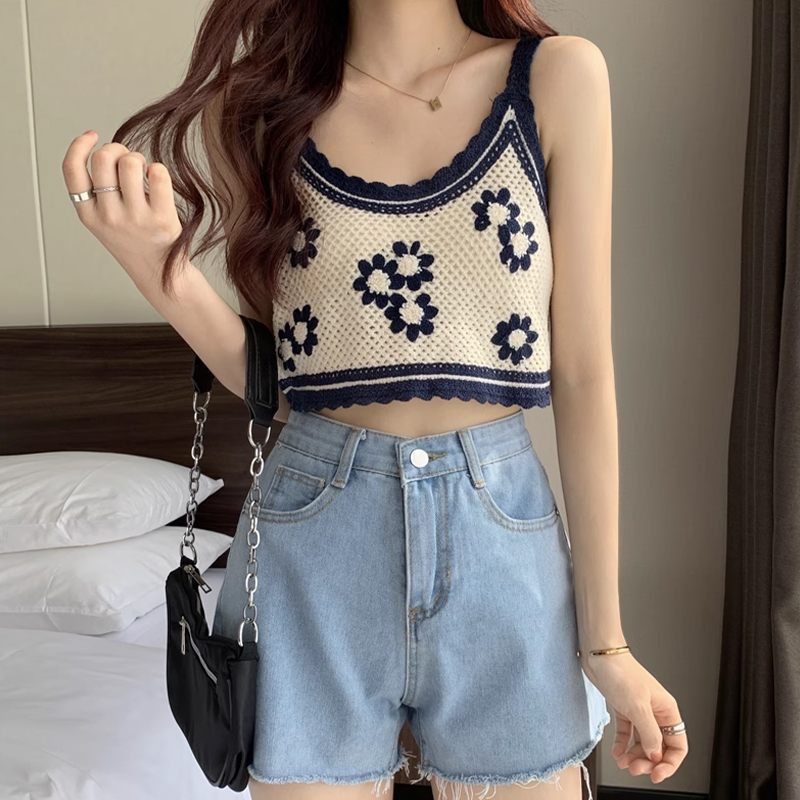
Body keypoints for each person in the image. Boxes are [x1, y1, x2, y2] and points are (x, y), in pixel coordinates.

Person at [62, 1, 688, 798]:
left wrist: (608, 645)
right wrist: (163, 270)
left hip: (500, 536)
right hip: (312, 537)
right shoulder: (256, 107)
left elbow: (584, 372)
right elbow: (285, 383)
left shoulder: (556, 77)